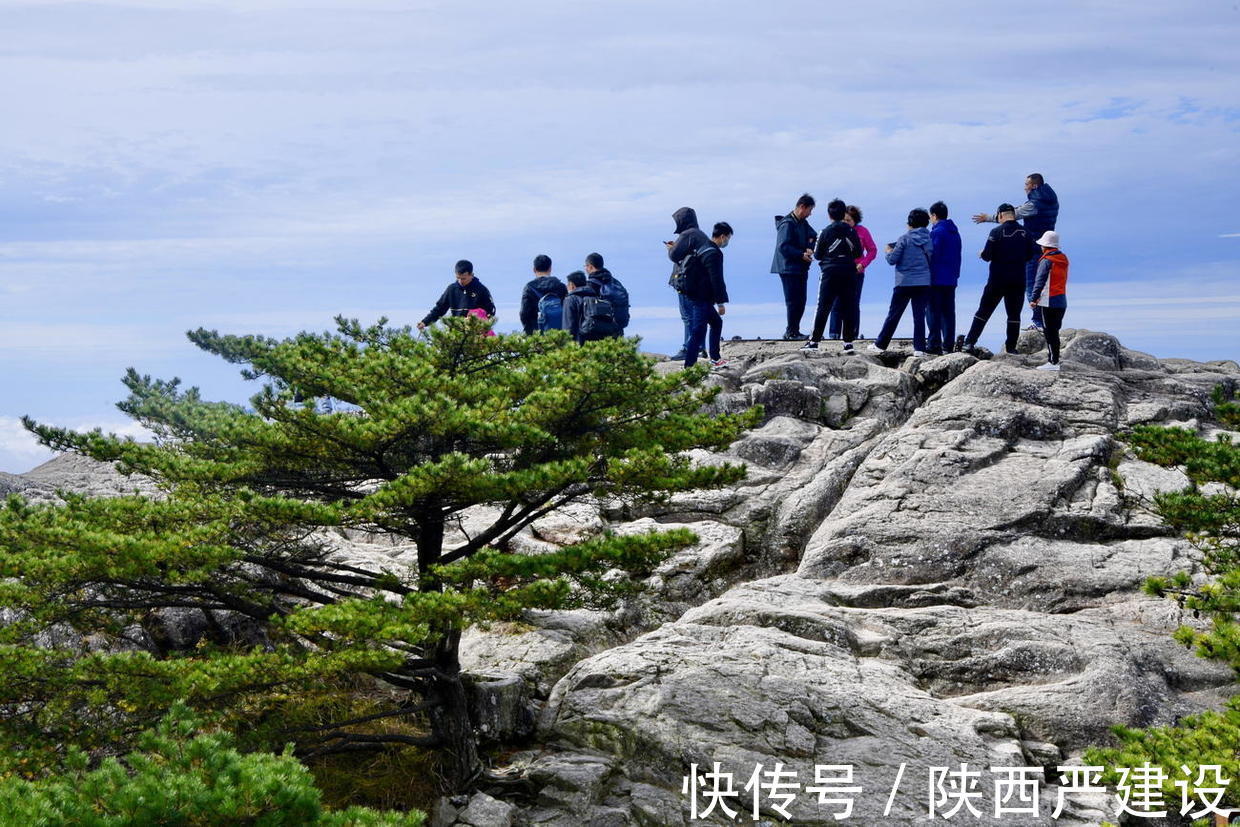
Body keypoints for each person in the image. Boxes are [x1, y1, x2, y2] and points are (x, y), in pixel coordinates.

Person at [972, 173, 1059, 330]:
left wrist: (988, 217)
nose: (1025, 187)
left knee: (1032, 284)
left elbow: (1014, 215)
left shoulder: (1035, 204)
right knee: (1043, 284)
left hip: (1033, 248)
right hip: (1046, 248)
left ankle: (1038, 322)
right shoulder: (1051, 200)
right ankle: (1044, 320)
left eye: (1027, 184)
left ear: (1034, 186)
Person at [961, 204, 1038, 355]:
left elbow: (987, 256)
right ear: (1014, 214)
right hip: (1018, 279)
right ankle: (1011, 348)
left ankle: (969, 342)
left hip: (997, 279)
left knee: (983, 311)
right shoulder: (1026, 232)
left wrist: (982, 254)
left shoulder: (996, 232)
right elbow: (1030, 255)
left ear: (1001, 215)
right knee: (1014, 315)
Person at [867, 208, 934, 356]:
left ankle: (880, 344)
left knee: (894, 315)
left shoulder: (904, 239)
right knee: (919, 317)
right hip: (923, 282)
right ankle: (919, 349)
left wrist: (888, 251)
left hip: (904, 282)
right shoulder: (929, 240)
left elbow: (892, 260)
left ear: (910, 223)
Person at [803, 199, 862, 353]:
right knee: (848, 306)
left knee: (823, 306)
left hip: (829, 272)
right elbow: (858, 253)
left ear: (829, 214)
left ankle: (814, 341)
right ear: (843, 214)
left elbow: (818, 254)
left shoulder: (825, 231)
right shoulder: (852, 231)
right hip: (849, 271)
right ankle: (848, 343)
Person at [679, 221, 733, 368]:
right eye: (728, 238)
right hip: (701, 297)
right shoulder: (713, 253)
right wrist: (721, 303)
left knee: (716, 323)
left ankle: (715, 358)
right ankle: (689, 366)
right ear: (722, 236)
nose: (727, 241)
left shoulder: (703, 247)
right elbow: (716, 279)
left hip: (697, 295)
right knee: (698, 331)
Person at [666, 207, 712, 360]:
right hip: (699, 283)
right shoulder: (700, 235)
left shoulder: (688, 234)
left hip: (688, 283)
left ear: (683, 220)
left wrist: (670, 248)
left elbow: (674, 255)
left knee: (688, 317)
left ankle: (689, 348)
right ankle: (700, 347)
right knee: (697, 317)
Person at [770, 193, 817, 340]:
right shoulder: (787, 224)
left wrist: (810, 247)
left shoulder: (803, 223)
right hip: (788, 268)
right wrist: (800, 254)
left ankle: (794, 330)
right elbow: (783, 247)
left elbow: (813, 235)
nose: (810, 214)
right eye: (810, 210)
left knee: (801, 300)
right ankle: (791, 332)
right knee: (793, 300)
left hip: (801, 268)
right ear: (802, 207)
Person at [828, 205, 877, 339]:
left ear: (855, 220)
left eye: (848, 220)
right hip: (838, 270)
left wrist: (863, 263)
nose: (846, 222)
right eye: (843, 220)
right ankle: (834, 334)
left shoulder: (862, 231)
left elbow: (872, 250)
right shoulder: (835, 230)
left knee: (853, 303)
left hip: (856, 272)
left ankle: (852, 334)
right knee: (836, 303)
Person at [1029, 230, 1069, 371]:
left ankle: (1053, 362)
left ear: (1045, 246)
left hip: (1048, 301)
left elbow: (1039, 281)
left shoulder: (1046, 261)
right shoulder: (1063, 259)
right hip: (1061, 301)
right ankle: (1055, 360)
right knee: (1055, 331)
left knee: (1049, 332)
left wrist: (1034, 299)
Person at [926, 201, 962, 355]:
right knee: (948, 312)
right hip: (951, 277)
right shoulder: (955, 233)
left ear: (934, 215)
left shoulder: (936, 233)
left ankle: (934, 344)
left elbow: (930, 254)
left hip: (936, 278)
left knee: (933, 311)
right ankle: (948, 344)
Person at [417, 260, 496, 330]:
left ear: (471, 275)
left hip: (475, 333)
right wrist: (425, 322)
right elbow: (439, 309)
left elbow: (490, 312)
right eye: (458, 278)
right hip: (456, 333)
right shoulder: (451, 289)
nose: (460, 281)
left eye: (463, 278)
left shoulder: (481, 290)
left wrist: (476, 320)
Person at [518, 254, 567, 334]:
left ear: (534, 269)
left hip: (536, 333)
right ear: (550, 268)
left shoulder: (529, 288)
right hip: (558, 334)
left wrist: (529, 330)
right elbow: (566, 311)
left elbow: (524, 314)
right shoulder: (561, 287)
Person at [583, 253, 630, 335]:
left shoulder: (591, 285)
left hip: (598, 332)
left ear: (590, 267)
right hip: (616, 330)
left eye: (585, 266)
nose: (585, 269)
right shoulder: (615, 283)